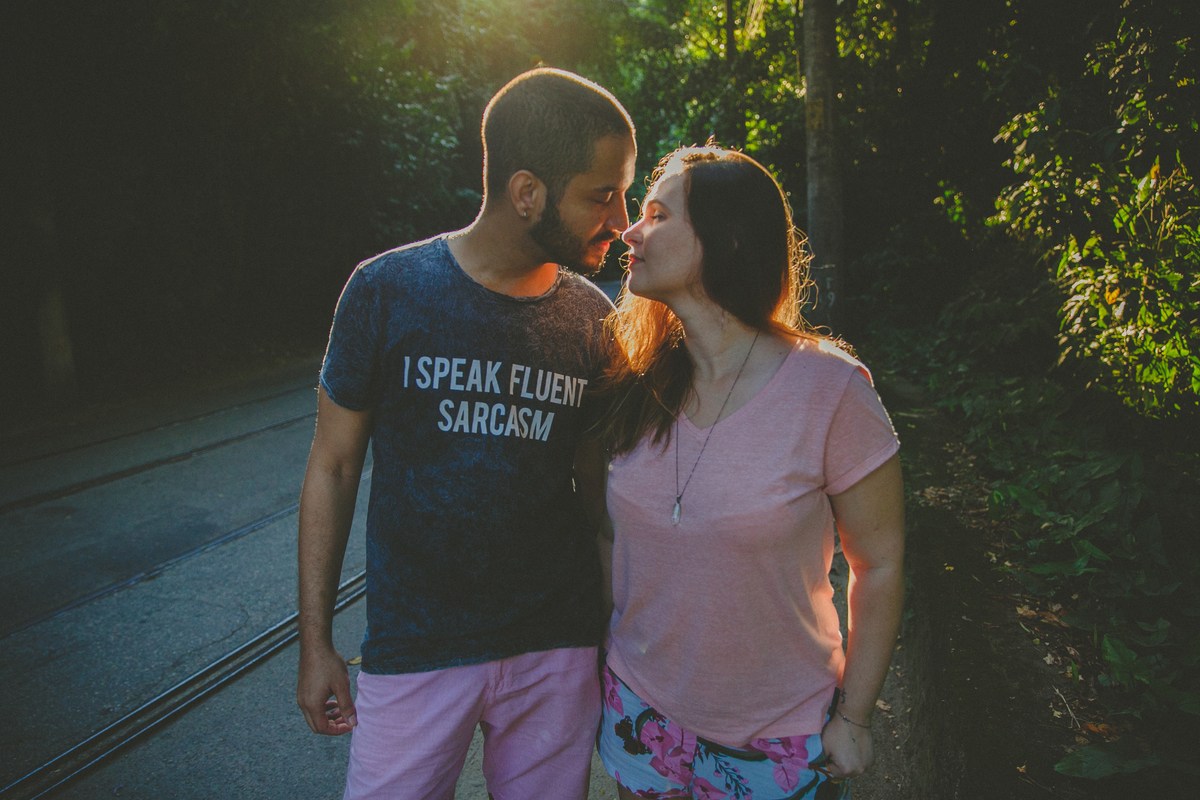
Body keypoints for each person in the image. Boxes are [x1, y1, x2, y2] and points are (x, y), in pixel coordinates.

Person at [295, 68, 636, 800]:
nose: (623, 217)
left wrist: (612, 638)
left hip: (557, 648)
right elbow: (332, 468)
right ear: (526, 193)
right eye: (602, 194)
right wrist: (315, 642)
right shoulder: (385, 291)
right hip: (418, 647)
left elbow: (598, 498)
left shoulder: (591, 319)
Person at [591, 145, 905, 800]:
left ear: (727, 237)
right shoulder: (632, 378)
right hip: (642, 723)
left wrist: (854, 717)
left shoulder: (832, 389)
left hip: (780, 741)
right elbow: (606, 533)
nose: (629, 230)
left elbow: (879, 564)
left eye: (656, 214)